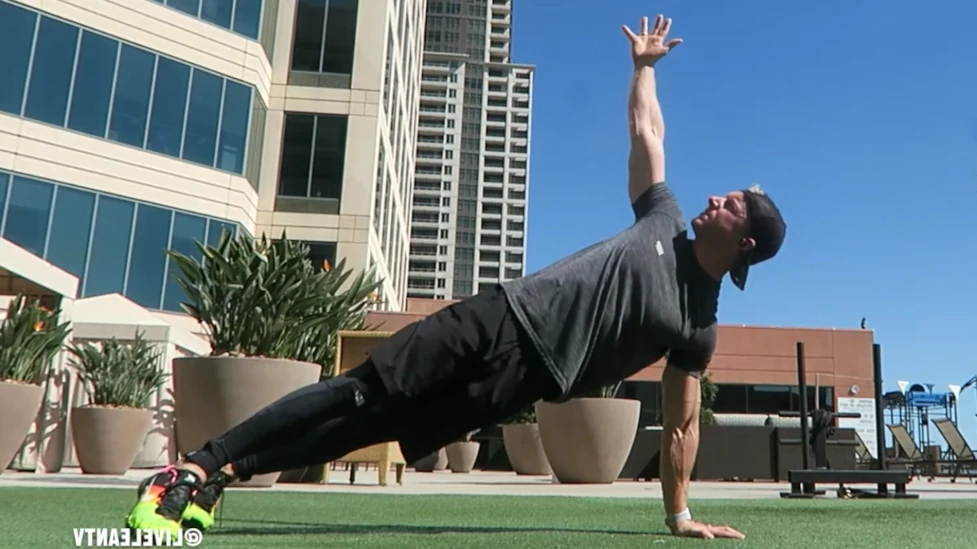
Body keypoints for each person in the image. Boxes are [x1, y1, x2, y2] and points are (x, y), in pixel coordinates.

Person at [126, 14, 783, 541]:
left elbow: (679, 425)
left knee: (375, 426)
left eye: (729, 204)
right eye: (721, 194)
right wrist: (642, 68)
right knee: (360, 392)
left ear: (744, 240)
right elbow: (647, 130)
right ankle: (193, 467)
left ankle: (221, 473)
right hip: (502, 316)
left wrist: (678, 516)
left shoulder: (696, 325)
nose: (714, 199)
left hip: (519, 381)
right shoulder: (662, 217)